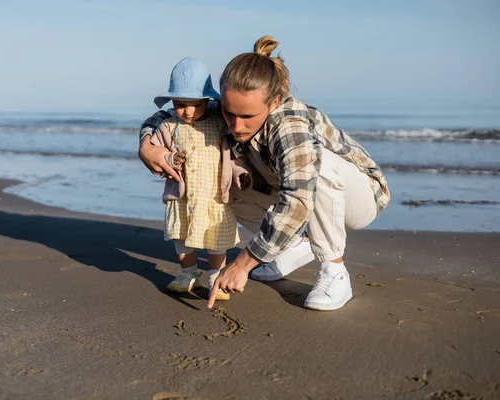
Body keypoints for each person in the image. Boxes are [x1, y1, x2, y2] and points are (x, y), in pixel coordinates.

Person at [139, 37, 390, 311]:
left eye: (248, 117)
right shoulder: (231, 108)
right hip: (293, 192)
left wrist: (243, 264)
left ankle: (334, 270)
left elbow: (298, 199)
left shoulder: (289, 125)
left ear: (274, 101)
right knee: (221, 182)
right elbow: (169, 116)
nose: (236, 125)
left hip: (358, 198)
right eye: (228, 112)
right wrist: (146, 143)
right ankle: (291, 246)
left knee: (320, 167)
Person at [149, 57, 241, 301]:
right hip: (183, 196)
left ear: (207, 101)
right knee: (182, 238)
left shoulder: (218, 121)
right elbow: (155, 152)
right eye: (180, 104)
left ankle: (214, 276)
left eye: (196, 105)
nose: (188, 111)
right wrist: (170, 159)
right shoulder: (169, 126)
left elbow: (238, 140)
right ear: (172, 102)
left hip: (214, 197)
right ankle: (188, 273)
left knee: (216, 239)